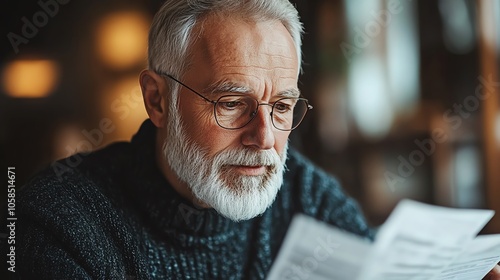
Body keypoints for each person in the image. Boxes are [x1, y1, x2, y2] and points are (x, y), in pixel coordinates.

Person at [5, 0, 500, 279]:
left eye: (281, 107)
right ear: (158, 101)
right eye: (231, 103)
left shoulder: (304, 196)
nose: (264, 138)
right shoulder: (56, 224)